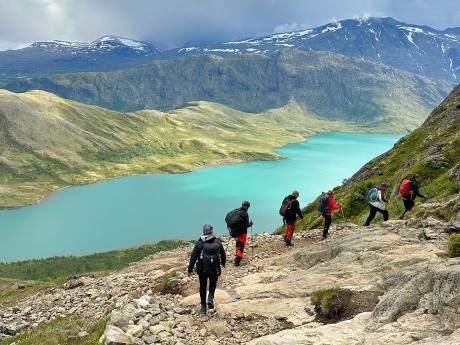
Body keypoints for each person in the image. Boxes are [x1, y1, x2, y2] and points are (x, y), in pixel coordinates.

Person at [187, 224, 226, 315]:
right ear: (212, 231)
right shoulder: (217, 242)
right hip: (214, 268)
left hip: (202, 269)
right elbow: (223, 254)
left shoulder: (200, 243)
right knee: (213, 284)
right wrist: (223, 263)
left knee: (203, 287)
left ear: (203, 231)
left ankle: (203, 308)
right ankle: (210, 298)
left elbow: (193, 257)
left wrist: (190, 269)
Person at [225, 201, 253, 267]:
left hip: (235, 232)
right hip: (242, 232)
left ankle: (237, 254)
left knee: (237, 243)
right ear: (247, 206)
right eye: (248, 207)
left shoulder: (235, 210)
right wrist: (251, 224)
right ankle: (237, 261)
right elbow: (247, 225)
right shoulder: (245, 213)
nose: (248, 208)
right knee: (241, 245)